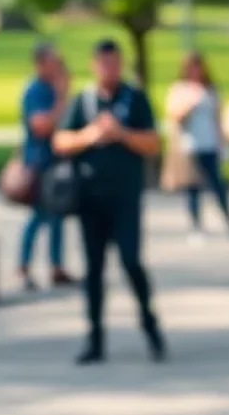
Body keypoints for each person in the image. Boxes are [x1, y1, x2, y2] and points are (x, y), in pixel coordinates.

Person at [54, 39, 166, 365]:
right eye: (103, 63)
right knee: (93, 270)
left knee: (131, 262)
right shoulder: (84, 102)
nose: (109, 69)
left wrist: (122, 135)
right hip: (90, 199)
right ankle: (95, 337)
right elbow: (61, 141)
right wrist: (89, 136)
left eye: (115, 63)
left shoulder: (135, 99)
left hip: (125, 198)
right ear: (94, 65)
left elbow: (152, 143)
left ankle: (149, 324)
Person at [162, 51, 229, 241]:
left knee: (218, 185)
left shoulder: (210, 89)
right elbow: (174, 116)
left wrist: (223, 143)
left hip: (209, 143)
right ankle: (196, 226)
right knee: (193, 187)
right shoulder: (180, 89)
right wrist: (190, 104)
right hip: (190, 145)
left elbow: (217, 118)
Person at [18, 43, 75, 291]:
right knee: (41, 215)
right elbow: (41, 126)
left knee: (57, 216)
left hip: (57, 161)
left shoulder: (52, 90)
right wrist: (62, 97)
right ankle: (24, 266)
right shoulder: (36, 91)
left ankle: (56, 266)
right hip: (40, 162)